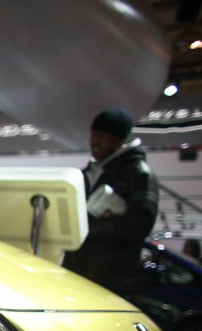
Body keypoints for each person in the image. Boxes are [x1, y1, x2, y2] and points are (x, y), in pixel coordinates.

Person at [62, 108, 159, 295]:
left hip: (110, 280)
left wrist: (85, 225)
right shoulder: (85, 174)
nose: (94, 141)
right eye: (93, 135)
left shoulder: (140, 174)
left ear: (119, 139)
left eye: (101, 136)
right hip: (75, 274)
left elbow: (140, 225)